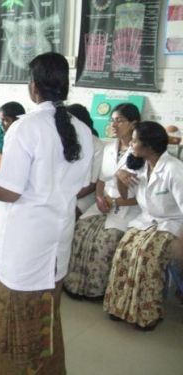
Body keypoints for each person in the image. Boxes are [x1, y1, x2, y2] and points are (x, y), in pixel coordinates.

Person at [0, 52, 93, 374]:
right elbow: (74, 183)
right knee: (47, 310)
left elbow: (11, 191)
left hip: (23, 244)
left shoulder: (25, 127)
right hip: (57, 240)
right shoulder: (83, 130)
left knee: (11, 314)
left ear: (33, 88)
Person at [104, 121, 183, 330]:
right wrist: (120, 177)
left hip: (172, 223)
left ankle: (148, 313)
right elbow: (125, 195)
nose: (131, 143)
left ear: (148, 146)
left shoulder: (174, 170)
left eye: (136, 140)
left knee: (146, 254)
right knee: (124, 249)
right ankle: (120, 306)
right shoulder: (140, 164)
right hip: (147, 220)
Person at [64, 103, 142, 299]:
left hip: (127, 207)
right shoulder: (109, 148)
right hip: (103, 202)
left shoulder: (140, 152)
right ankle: (75, 286)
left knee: (105, 241)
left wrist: (113, 202)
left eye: (120, 120)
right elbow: (100, 180)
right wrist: (99, 198)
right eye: (112, 120)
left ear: (134, 123)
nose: (114, 125)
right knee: (80, 230)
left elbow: (141, 194)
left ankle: (96, 290)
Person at [67, 103, 105, 218]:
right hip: (65, 192)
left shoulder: (97, 145)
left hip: (85, 194)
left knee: (68, 213)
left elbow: (92, 184)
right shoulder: (66, 140)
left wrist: (68, 198)